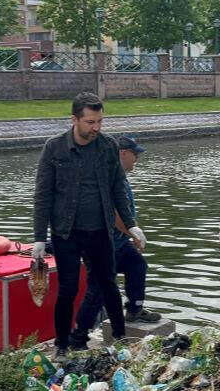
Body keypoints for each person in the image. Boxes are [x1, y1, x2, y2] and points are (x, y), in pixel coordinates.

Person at [32, 92, 143, 356]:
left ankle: (119, 338)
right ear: (75, 120)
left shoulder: (106, 147)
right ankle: (62, 345)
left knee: (108, 284)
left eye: (100, 122)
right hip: (66, 232)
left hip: (101, 230)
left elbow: (118, 188)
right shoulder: (54, 147)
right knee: (68, 289)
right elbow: (43, 194)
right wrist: (39, 236)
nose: (96, 128)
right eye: (90, 122)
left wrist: (131, 224)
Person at [70, 136, 161, 348]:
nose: (136, 159)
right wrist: (134, 233)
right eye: (134, 154)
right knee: (98, 291)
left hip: (118, 242)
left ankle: (134, 309)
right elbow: (113, 213)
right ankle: (78, 337)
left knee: (137, 265)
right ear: (122, 153)